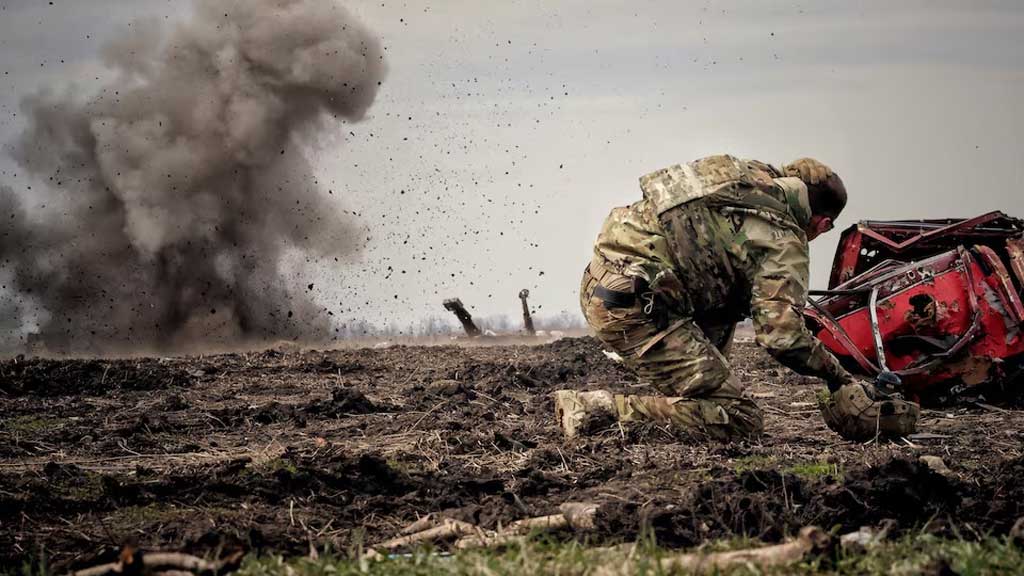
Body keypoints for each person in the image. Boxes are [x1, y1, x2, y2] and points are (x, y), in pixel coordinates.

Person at [555, 155, 919, 442]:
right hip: (637, 311)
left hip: (602, 282)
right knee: (739, 418)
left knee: (728, 304)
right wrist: (840, 379)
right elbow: (782, 336)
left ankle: (698, 394)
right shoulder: (782, 237)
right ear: (822, 224)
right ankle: (596, 410)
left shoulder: (744, 180)